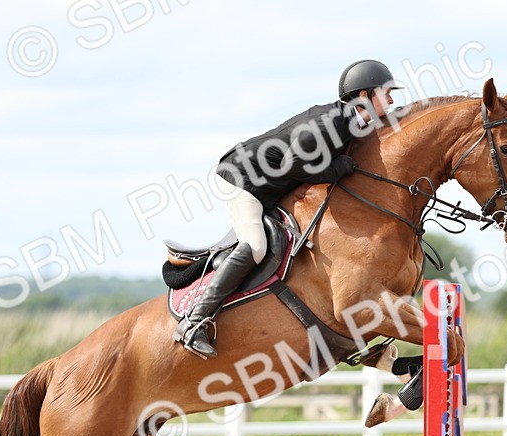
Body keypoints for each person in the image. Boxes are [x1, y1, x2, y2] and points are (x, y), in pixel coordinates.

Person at [173, 59, 404, 358]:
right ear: (364, 96)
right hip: (243, 178)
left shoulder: (353, 123)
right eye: (386, 92)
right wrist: (338, 168)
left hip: (273, 186)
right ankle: (194, 322)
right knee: (255, 246)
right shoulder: (331, 123)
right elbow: (291, 164)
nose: (392, 99)